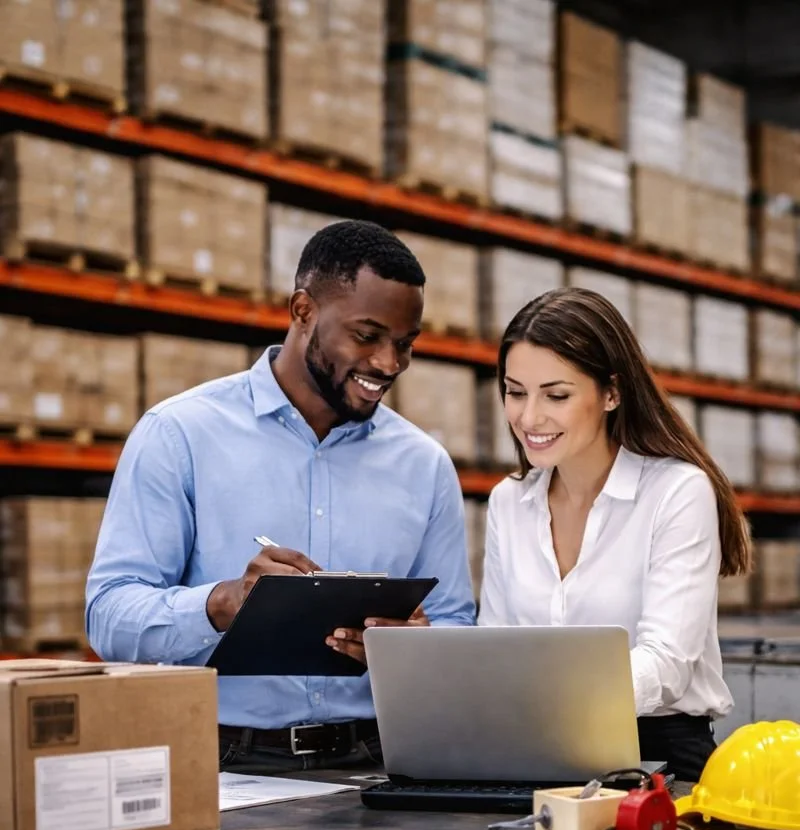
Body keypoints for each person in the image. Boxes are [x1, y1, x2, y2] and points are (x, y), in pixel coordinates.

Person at [87, 220, 475, 773]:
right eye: (366, 336)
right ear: (302, 311)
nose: (389, 364)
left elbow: (455, 625)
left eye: (405, 345)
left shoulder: (424, 465)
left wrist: (413, 648)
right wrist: (222, 604)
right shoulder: (180, 435)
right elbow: (108, 616)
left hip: (376, 763)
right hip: (222, 765)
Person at [479, 287, 751, 782]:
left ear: (611, 393)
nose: (529, 417)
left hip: (660, 753)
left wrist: (554, 701)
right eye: (515, 392)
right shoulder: (508, 502)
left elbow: (667, 661)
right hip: (534, 747)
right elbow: (496, 645)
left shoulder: (677, 492)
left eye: (556, 395)